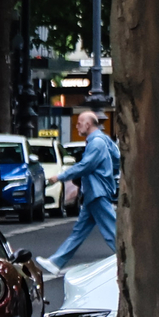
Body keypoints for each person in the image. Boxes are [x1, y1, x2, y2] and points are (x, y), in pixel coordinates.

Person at [46, 112, 120, 270]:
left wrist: (60, 176)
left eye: (79, 123)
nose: (77, 126)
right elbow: (117, 157)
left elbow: (85, 165)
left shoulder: (97, 143)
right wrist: (109, 174)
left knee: (111, 230)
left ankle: (127, 260)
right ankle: (56, 262)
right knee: (80, 230)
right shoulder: (103, 139)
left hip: (97, 190)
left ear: (88, 124)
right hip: (95, 190)